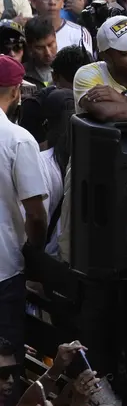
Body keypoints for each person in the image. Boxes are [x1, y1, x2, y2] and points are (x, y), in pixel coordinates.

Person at [0, 55, 46, 353]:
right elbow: (36, 215)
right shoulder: (18, 139)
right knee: (5, 366)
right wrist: (35, 253)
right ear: (16, 91)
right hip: (4, 271)